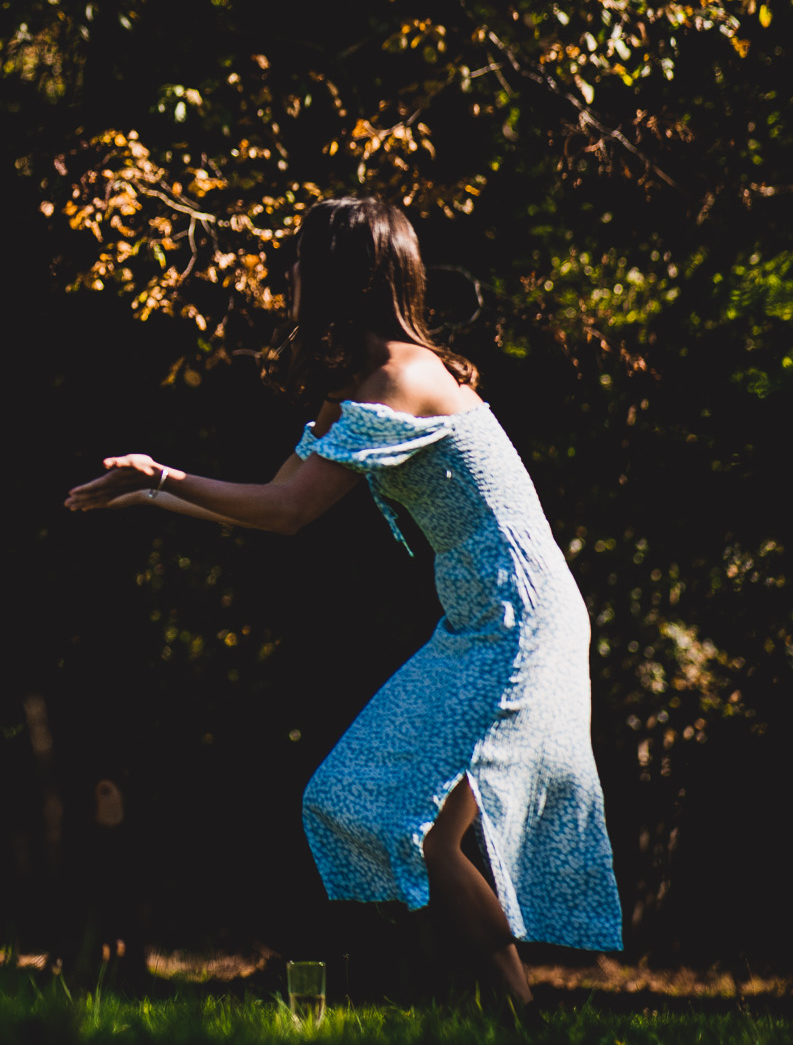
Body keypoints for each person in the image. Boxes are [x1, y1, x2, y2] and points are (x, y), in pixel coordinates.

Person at [65, 196, 621, 1006]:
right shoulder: (363, 388)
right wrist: (150, 498)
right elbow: (276, 498)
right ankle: (515, 1015)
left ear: (338, 278)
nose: (288, 275)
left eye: (300, 262)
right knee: (411, 830)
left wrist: (161, 476)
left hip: (520, 620)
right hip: (479, 620)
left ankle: (504, 1008)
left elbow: (286, 511)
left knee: (396, 817)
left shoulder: (403, 378)